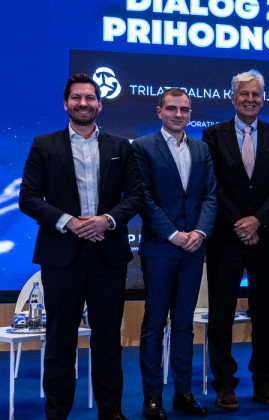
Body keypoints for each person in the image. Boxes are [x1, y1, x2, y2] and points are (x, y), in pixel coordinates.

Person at [18, 73, 143, 420]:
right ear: (66, 103)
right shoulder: (44, 144)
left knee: (107, 340)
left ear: (100, 104)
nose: (83, 103)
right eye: (76, 98)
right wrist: (70, 222)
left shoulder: (121, 147)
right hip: (61, 255)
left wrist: (106, 220)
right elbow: (27, 198)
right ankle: (57, 413)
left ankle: (111, 413)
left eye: (90, 98)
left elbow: (135, 196)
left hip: (108, 253)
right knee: (60, 341)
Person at [202, 70, 269, 409]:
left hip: (265, 237)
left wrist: (258, 220)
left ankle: (263, 382)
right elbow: (212, 185)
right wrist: (239, 222)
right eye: (244, 94)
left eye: (256, 94)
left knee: (266, 314)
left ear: (263, 98)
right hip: (225, 237)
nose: (250, 99)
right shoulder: (212, 135)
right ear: (233, 98)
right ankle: (224, 383)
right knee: (221, 314)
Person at [132, 88, 217, 419]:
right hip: (159, 248)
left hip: (194, 249)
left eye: (184, 109)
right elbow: (143, 196)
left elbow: (210, 195)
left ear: (190, 113)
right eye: (172, 108)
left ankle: (183, 392)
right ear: (159, 111)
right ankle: (152, 397)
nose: (179, 114)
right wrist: (173, 234)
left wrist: (198, 232)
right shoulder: (142, 147)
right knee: (155, 325)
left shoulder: (201, 148)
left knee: (184, 326)